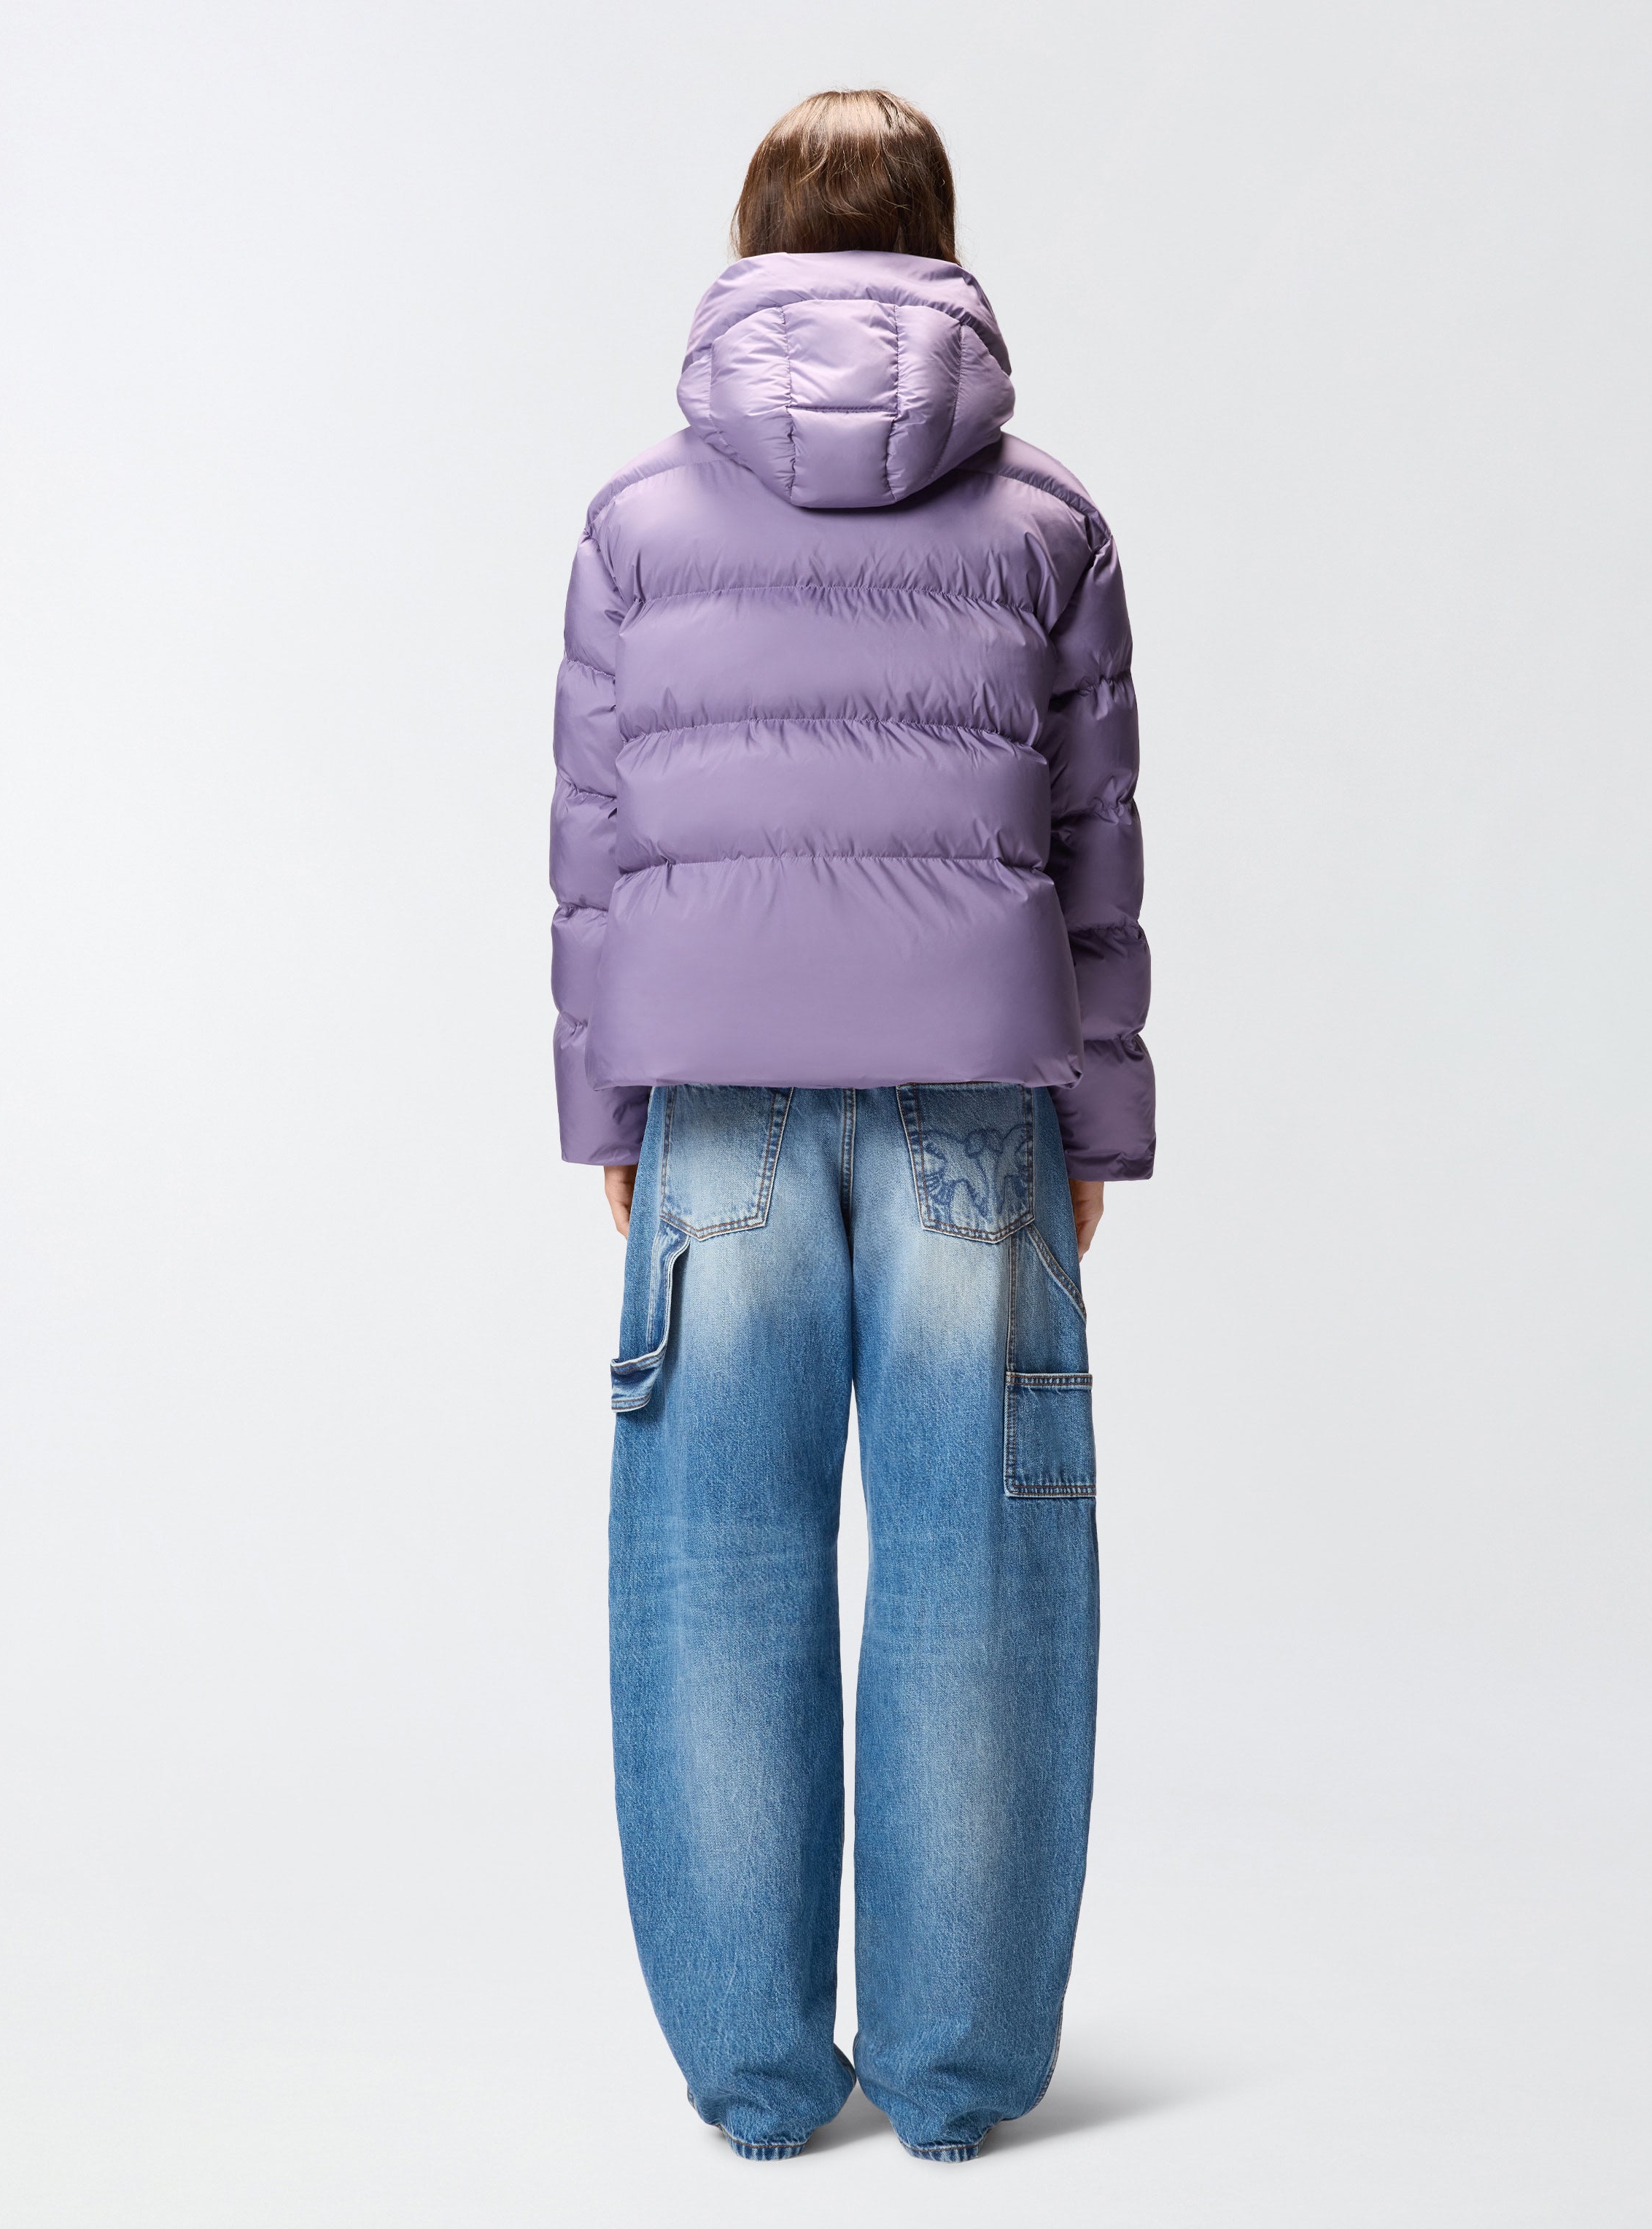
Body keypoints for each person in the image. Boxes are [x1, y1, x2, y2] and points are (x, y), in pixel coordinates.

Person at [549, 88, 1153, 2164]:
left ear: (751, 247)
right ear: (941, 249)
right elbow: (1095, 850)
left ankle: (752, 2081)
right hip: (982, 1104)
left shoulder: (635, 525)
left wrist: (607, 1108)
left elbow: (597, 847)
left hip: (712, 1102)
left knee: (715, 1559)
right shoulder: (1050, 522)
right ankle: (960, 2078)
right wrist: (1098, 1129)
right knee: (983, 1562)